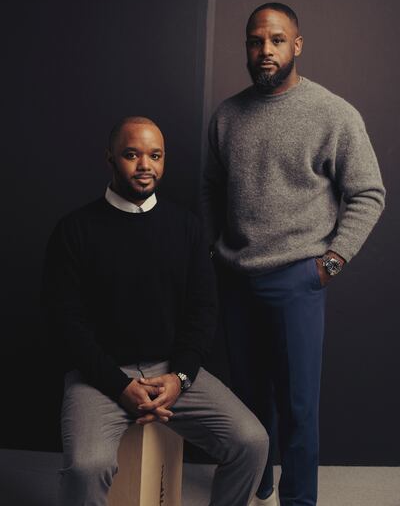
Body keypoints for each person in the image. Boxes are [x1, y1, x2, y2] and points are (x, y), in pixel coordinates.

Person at [202, 3, 385, 506]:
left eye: (277, 41)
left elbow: (369, 193)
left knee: (299, 404)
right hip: (236, 276)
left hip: (298, 279)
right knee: (246, 398)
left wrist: (331, 262)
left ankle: (299, 498)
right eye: (256, 42)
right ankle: (256, 482)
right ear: (246, 47)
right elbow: (210, 191)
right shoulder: (227, 116)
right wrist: (213, 251)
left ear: (296, 45)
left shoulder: (333, 113)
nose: (266, 51)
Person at [42, 116, 269, 506]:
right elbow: (66, 323)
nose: (145, 165)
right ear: (110, 158)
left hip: (171, 371)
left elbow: (202, 312)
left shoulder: (188, 228)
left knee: (252, 442)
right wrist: (118, 385)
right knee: (87, 467)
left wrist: (179, 377)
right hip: (99, 377)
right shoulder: (74, 230)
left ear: (164, 161)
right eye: (132, 154)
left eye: (155, 155)